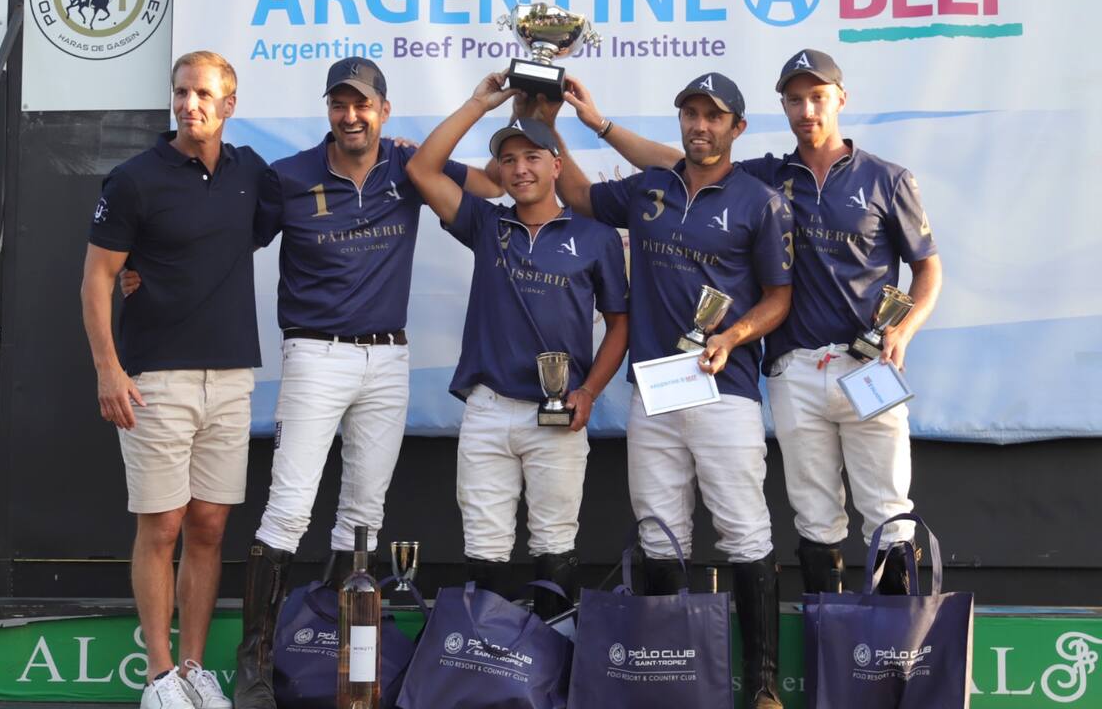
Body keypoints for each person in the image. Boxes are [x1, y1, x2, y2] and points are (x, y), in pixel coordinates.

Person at [562, 50, 943, 597]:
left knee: (889, 510)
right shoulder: (766, 176)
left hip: (871, 368)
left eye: (818, 97)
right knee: (815, 517)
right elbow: (676, 160)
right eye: (795, 99)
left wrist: (903, 331)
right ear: (783, 107)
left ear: (840, 99)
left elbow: (928, 270)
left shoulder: (888, 179)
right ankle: (830, 655)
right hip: (796, 370)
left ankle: (898, 656)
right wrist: (599, 125)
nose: (807, 109)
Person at [234, 57, 506, 708]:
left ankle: (335, 651)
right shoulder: (290, 176)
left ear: (383, 110)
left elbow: (496, 184)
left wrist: (482, 105)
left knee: (363, 514)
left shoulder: (408, 169)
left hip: (388, 359)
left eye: (362, 104)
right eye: (340, 104)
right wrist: (145, 271)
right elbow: (225, 242)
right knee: (290, 508)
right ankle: (255, 664)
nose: (350, 115)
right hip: (314, 356)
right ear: (329, 110)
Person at [553, 72, 793, 709]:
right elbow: (578, 197)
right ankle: (670, 682)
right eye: (690, 113)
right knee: (659, 536)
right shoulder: (648, 188)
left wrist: (733, 335)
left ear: (737, 128)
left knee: (745, 533)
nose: (700, 126)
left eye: (713, 116)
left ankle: (762, 684)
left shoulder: (760, 201)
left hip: (725, 389)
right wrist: (551, 128)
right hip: (653, 391)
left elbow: (779, 298)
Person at [404, 74, 629, 618]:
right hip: (487, 411)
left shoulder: (595, 236)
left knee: (555, 544)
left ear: (557, 164)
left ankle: (554, 671)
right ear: (500, 173)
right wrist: (480, 104)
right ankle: (491, 671)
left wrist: (590, 392)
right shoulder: (487, 223)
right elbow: (421, 169)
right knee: (484, 547)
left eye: (533, 156)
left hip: (558, 419)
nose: (521, 168)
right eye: (509, 160)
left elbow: (620, 323)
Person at [82, 50, 261, 709]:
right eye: (183, 92)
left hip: (232, 373)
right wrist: (109, 368)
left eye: (205, 94)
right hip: (154, 377)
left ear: (229, 103)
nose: (192, 104)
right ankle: (158, 678)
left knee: (209, 527)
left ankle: (192, 670)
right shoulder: (133, 180)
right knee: (162, 527)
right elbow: (99, 276)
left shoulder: (249, 175)